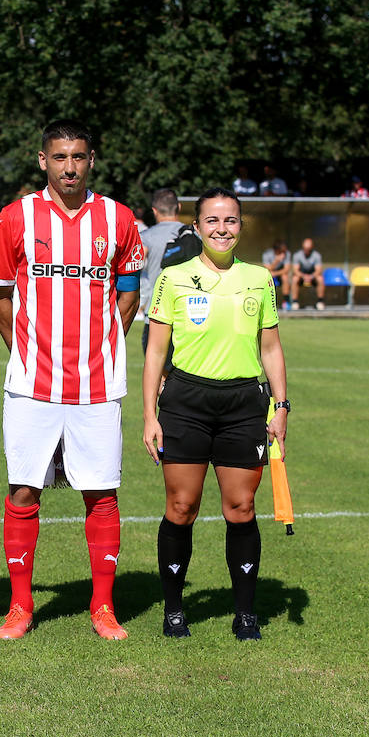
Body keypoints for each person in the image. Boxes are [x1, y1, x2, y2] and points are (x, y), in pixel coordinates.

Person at [0, 118, 144, 641]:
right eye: (60, 157)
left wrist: (104, 344)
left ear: (91, 160)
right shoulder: (15, 218)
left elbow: (127, 293)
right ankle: (20, 607)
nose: (69, 167)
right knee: (24, 489)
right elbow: (1, 297)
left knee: (100, 493)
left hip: (97, 386)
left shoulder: (119, 220)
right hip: (32, 384)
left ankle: (103, 607)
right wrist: (27, 351)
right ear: (43, 160)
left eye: (78, 157)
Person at [142, 187, 288, 641]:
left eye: (230, 221)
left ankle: (245, 613)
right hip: (186, 402)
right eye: (212, 221)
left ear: (240, 226)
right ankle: (174, 609)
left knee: (241, 508)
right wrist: (150, 414)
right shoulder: (173, 276)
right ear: (197, 226)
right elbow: (155, 352)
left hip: (244, 405)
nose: (221, 229)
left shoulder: (260, 277)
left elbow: (271, 346)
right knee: (181, 507)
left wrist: (280, 406)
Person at [140, 189, 185, 353]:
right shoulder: (194, 235)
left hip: (155, 315)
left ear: (154, 211)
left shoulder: (146, 236)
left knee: (157, 374)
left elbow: (134, 268)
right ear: (178, 207)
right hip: (188, 317)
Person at [287, 237, 325, 310]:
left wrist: (311, 276)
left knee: (320, 279)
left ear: (312, 247)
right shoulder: (297, 255)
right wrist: (304, 276)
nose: (307, 250)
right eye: (305, 248)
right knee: (295, 279)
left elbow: (318, 270)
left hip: (313, 277)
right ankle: (295, 302)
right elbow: (295, 270)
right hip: (301, 277)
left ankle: (320, 302)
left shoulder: (317, 255)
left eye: (309, 249)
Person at [261, 240, 289, 307]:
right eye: (281, 251)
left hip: (279, 274)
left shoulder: (287, 254)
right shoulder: (266, 254)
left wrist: (275, 273)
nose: (283, 253)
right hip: (269, 274)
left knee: (285, 277)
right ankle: (268, 303)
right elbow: (267, 269)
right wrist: (276, 261)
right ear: (276, 250)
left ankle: (286, 302)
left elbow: (286, 269)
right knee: (267, 277)